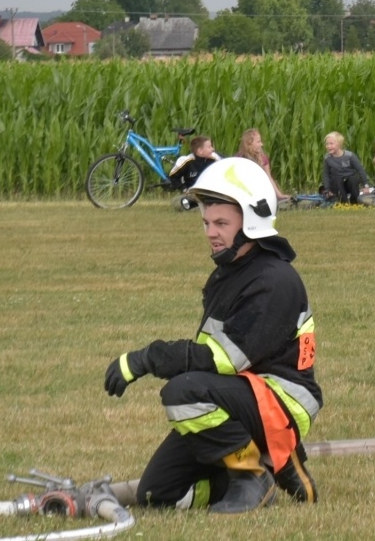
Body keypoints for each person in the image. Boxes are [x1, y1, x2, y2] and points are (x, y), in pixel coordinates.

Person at [102, 156, 321, 513]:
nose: (210, 232)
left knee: (183, 393)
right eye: (206, 222)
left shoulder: (273, 281)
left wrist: (147, 359)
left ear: (251, 223)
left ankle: (252, 477)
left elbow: (222, 358)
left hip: (283, 401)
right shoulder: (233, 269)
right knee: (157, 495)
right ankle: (260, 465)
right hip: (240, 397)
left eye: (221, 223)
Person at [238, 128, 289, 204]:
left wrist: (279, 195)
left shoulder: (263, 158)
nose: (261, 144)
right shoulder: (240, 159)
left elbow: (269, 177)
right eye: (258, 142)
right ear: (249, 143)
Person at [320, 131, 368, 206]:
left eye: (331, 143)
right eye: (327, 144)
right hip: (336, 184)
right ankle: (343, 203)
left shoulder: (349, 156)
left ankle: (354, 202)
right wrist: (327, 189)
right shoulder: (327, 158)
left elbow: (360, 170)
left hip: (349, 183)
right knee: (336, 178)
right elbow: (326, 174)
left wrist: (366, 185)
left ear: (339, 144)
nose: (328, 146)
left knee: (353, 178)